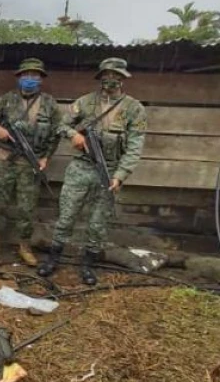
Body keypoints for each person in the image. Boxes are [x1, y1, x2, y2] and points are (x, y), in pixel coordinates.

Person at [38, 57, 147, 285]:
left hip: (109, 170)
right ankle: (53, 259)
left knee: (98, 223)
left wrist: (120, 175)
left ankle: (88, 265)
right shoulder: (85, 103)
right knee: (66, 216)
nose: (111, 79)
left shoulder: (134, 109)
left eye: (116, 75)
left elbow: (135, 146)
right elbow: (61, 125)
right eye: (107, 75)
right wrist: (74, 135)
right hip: (80, 168)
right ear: (100, 77)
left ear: (123, 78)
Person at [0, 58, 62, 266]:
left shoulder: (50, 104)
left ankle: (24, 245)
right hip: (5, 160)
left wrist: (45, 158)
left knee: (27, 207)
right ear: (19, 78)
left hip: (30, 163)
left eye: (34, 75)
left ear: (41, 79)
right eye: (26, 75)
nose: (30, 79)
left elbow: (56, 134)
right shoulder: (7, 100)